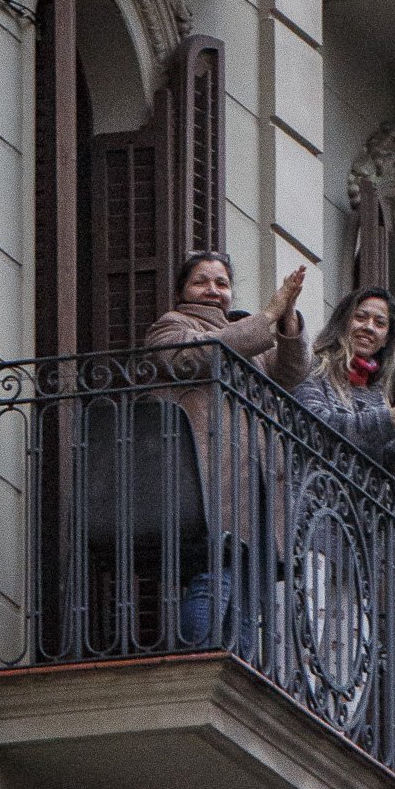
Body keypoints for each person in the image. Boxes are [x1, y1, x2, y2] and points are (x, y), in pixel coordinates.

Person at [145, 251, 310, 652]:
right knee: (212, 577)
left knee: (247, 597)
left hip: (254, 487)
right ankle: (196, 667)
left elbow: (293, 371)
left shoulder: (251, 333)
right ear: (183, 289)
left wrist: (286, 317)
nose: (213, 290)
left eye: (221, 283)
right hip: (204, 478)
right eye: (202, 281)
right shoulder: (171, 327)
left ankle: (238, 672)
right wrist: (267, 315)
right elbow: (197, 357)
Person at [294, 286, 395, 478]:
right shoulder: (313, 366)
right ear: (342, 323)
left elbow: (388, 466)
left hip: (355, 505)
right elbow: (313, 425)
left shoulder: (376, 390)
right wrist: (387, 420)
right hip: (315, 495)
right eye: (360, 317)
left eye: (380, 323)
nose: (369, 327)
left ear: (385, 340)